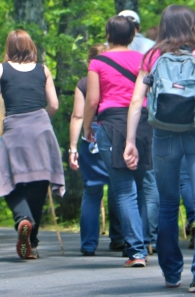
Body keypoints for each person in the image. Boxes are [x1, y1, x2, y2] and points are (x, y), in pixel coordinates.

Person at [125, 4, 195, 293]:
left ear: (164, 25)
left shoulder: (152, 56)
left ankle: (171, 273)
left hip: (164, 135)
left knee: (169, 204)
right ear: (193, 25)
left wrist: (131, 142)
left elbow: (136, 101)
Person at [0, 29, 65, 260]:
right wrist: (40, 119)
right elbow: (55, 105)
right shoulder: (43, 70)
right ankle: (32, 242)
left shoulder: (0, 69)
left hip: (14, 129)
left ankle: (23, 220)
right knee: (39, 183)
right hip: (42, 130)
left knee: (5, 178)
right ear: (31, 47)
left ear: (8, 48)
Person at [82, 15, 154, 267]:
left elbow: (92, 100)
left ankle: (136, 251)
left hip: (111, 125)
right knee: (143, 185)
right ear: (133, 36)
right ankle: (145, 241)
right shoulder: (144, 60)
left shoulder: (98, 62)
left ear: (108, 36)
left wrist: (86, 127)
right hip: (143, 124)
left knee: (123, 189)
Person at [68, 43, 124, 256]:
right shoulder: (119, 80)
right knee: (121, 190)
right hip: (117, 136)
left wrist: (73, 148)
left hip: (91, 141)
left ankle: (89, 244)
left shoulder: (83, 84)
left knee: (92, 192)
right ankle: (121, 238)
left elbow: (78, 115)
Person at [117, 9, 159, 254]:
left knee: (122, 180)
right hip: (148, 116)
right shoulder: (153, 49)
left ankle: (124, 236)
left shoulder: (106, 51)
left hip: (116, 115)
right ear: (139, 27)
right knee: (149, 179)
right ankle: (148, 237)